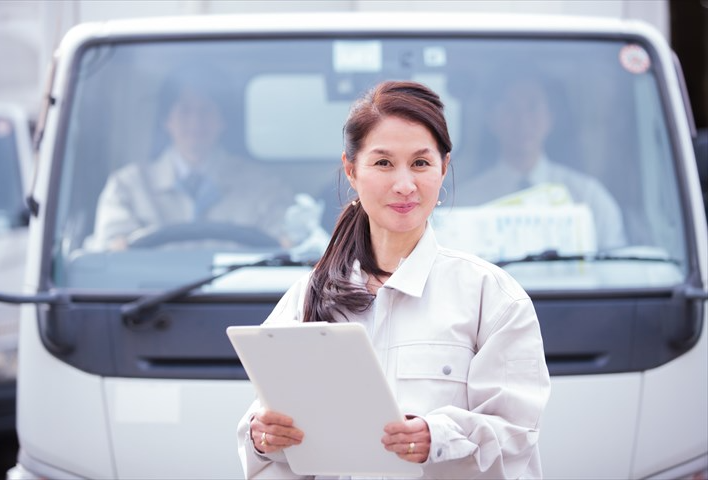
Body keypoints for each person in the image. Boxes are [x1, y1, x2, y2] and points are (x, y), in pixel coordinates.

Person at [236, 81, 551, 479]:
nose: (404, 185)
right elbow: (265, 429)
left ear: (443, 168)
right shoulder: (308, 298)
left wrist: (436, 437)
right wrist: (264, 437)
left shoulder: (493, 298)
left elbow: (516, 433)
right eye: (383, 163)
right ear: (351, 170)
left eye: (420, 163)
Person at [87, 67, 311, 251]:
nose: (195, 123)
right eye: (185, 111)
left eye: (206, 111)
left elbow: (288, 248)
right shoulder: (127, 186)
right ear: (166, 120)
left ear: (222, 121)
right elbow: (111, 258)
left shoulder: (264, 187)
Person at [454, 73, 627, 251]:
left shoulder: (588, 197)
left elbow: (614, 267)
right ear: (491, 119)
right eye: (510, 109)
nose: (523, 121)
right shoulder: (465, 203)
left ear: (551, 117)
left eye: (533, 107)